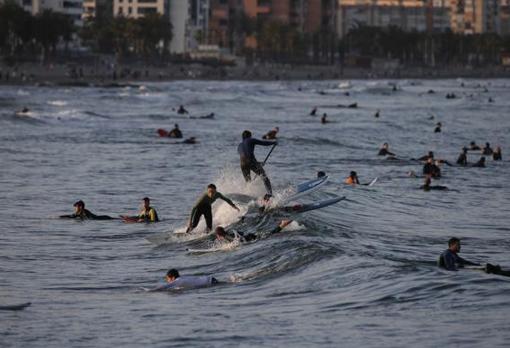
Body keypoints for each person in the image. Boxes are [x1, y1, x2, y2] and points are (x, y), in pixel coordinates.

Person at [238, 130, 276, 196]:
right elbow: (263, 143)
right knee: (265, 178)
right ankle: (270, 195)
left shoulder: (239, 145)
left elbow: (245, 155)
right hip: (250, 161)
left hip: (242, 164)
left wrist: (258, 163)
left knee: (248, 182)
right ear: (249, 136)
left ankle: (248, 196)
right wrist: (273, 142)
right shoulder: (250, 140)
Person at [214, 220, 293, 243]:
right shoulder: (229, 233)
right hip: (249, 236)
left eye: (217, 236)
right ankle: (281, 225)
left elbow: (239, 241)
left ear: (219, 235)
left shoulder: (227, 237)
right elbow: (241, 233)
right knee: (269, 234)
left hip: (250, 239)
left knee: (270, 234)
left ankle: (282, 224)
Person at [150, 269, 218, 291]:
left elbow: (164, 287)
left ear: (173, 278)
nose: (167, 281)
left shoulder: (177, 281)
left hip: (210, 281)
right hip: (210, 279)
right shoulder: (181, 278)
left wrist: (151, 291)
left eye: (168, 279)